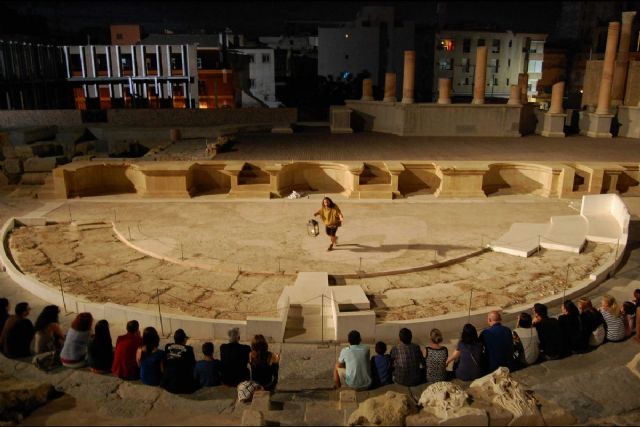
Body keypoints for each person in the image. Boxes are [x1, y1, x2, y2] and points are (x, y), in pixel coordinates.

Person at [162, 328, 197, 394]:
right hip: (184, 386)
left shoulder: (167, 346)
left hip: (168, 385)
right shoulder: (189, 349)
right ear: (184, 339)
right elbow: (193, 364)